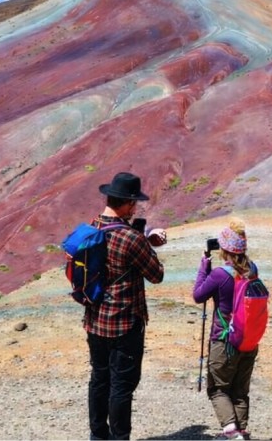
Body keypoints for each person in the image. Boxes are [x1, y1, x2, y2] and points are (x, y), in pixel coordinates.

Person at [84, 171, 167, 440]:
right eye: (135, 204)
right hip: (124, 323)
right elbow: (156, 275)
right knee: (122, 386)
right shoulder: (132, 238)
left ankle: (98, 435)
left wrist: (143, 239)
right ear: (129, 204)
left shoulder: (92, 227)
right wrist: (148, 243)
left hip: (95, 320)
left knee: (99, 378)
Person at [193, 217, 259, 440]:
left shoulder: (221, 274)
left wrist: (204, 267)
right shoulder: (252, 270)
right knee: (240, 391)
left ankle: (231, 433)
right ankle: (240, 431)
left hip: (224, 341)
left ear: (224, 249)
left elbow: (198, 294)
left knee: (218, 389)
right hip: (248, 341)